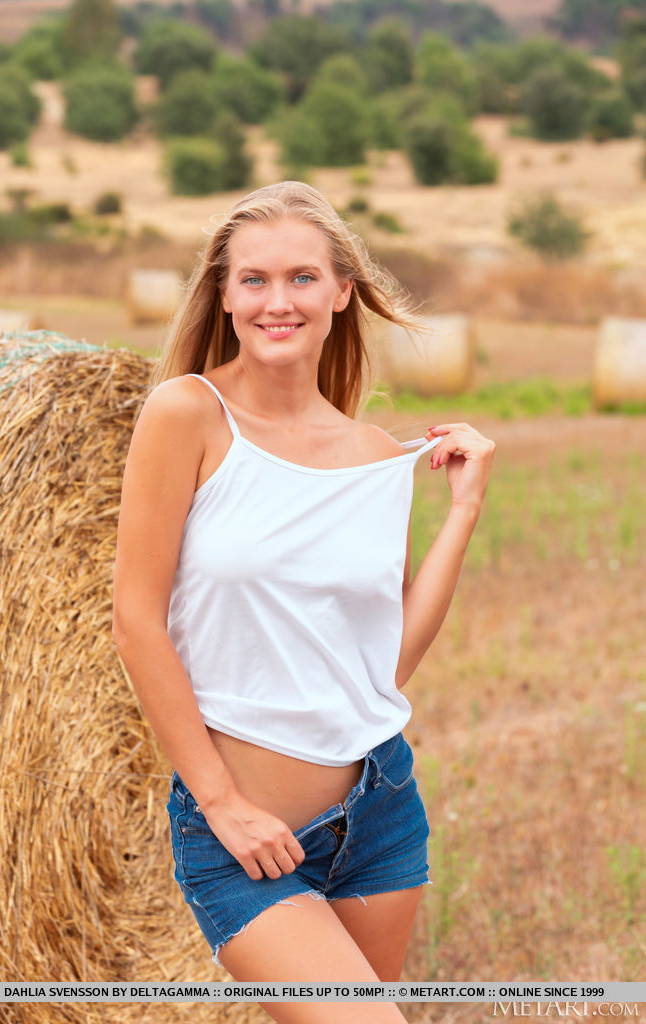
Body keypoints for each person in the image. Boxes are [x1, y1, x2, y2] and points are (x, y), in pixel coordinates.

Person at [112, 180, 495, 1024]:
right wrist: (220, 803)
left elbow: (383, 656)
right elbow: (135, 622)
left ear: (341, 291)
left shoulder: (367, 452)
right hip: (241, 839)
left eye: (301, 279)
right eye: (253, 280)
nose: (276, 302)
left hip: (380, 813)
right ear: (222, 293)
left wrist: (462, 512)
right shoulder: (189, 414)